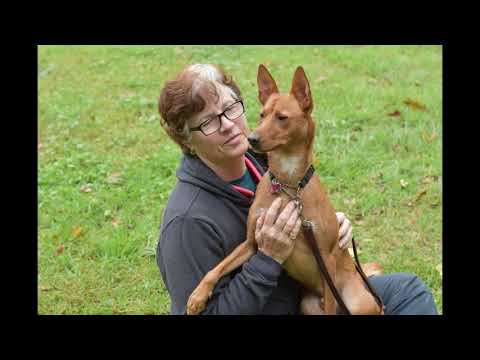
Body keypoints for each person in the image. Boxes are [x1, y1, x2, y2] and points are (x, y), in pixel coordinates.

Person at [156, 63, 438, 315]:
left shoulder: (270, 161)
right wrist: (268, 259)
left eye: (231, 109)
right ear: (186, 140)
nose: (229, 125)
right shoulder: (186, 223)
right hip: (280, 305)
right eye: (208, 122)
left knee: (408, 290)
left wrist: (330, 227)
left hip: (318, 288)